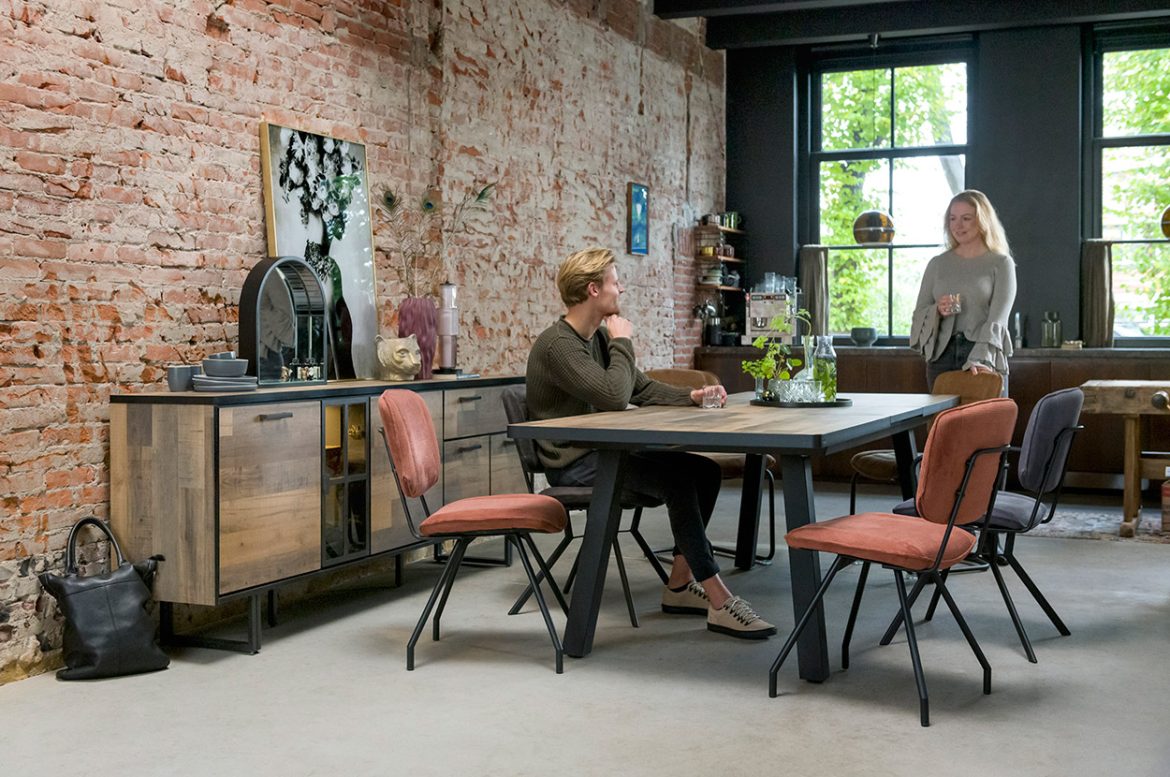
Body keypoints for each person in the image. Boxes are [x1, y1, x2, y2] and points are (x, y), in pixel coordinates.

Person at [525, 247, 775, 639]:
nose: (621, 288)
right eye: (615, 281)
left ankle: (679, 586)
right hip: (574, 464)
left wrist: (690, 397)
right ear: (593, 289)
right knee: (677, 482)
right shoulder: (559, 345)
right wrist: (622, 341)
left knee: (704, 472)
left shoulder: (596, 338)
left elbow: (638, 387)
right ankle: (720, 600)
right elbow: (613, 395)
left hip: (605, 453)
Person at [909, 189, 1017, 391]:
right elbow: (919, 314)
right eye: (953, 219)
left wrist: (980, 358)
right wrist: (937, 310)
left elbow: (998, 321)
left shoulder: (1001, 263)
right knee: (943, 414)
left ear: (983, 221)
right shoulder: (937, 264)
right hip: (940, 358)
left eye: (966, 218)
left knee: (984, 413)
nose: (957, 225)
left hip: (982, 357)